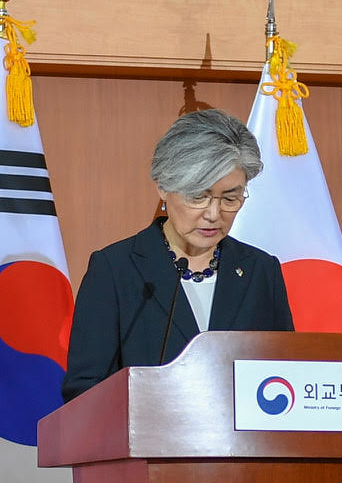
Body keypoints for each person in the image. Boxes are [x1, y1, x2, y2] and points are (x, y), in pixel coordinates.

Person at [63, 107, 293, 400]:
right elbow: (84, 389)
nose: (213, 214)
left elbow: (285, 375)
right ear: (163, 187)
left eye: (230, 198)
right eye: (198, 196)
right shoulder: (115, 270)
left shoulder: (261, 270)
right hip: (146, 443)